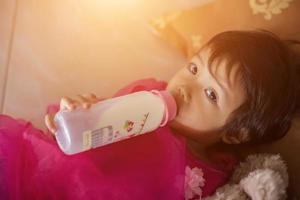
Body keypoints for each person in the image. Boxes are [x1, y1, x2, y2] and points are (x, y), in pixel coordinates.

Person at [1, 30, 299, 199]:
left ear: (234, 133)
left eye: (211, 94)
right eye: (194, 69)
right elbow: (93, 125)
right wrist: (80, 111)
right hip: (54, 176)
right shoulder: (146, 96)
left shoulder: (215, 172)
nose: (187, 88)